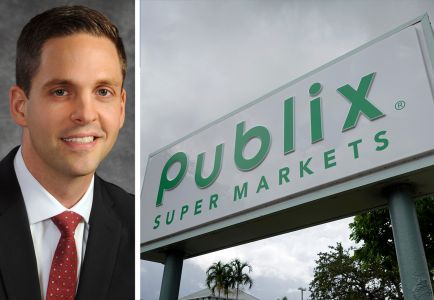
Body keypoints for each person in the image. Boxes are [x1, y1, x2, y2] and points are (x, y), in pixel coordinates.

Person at [0, 5, 134, 300]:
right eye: (61, 91)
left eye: (103, 92)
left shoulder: (138, 225)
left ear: (121, 108)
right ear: (20, 106)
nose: (86, 115)